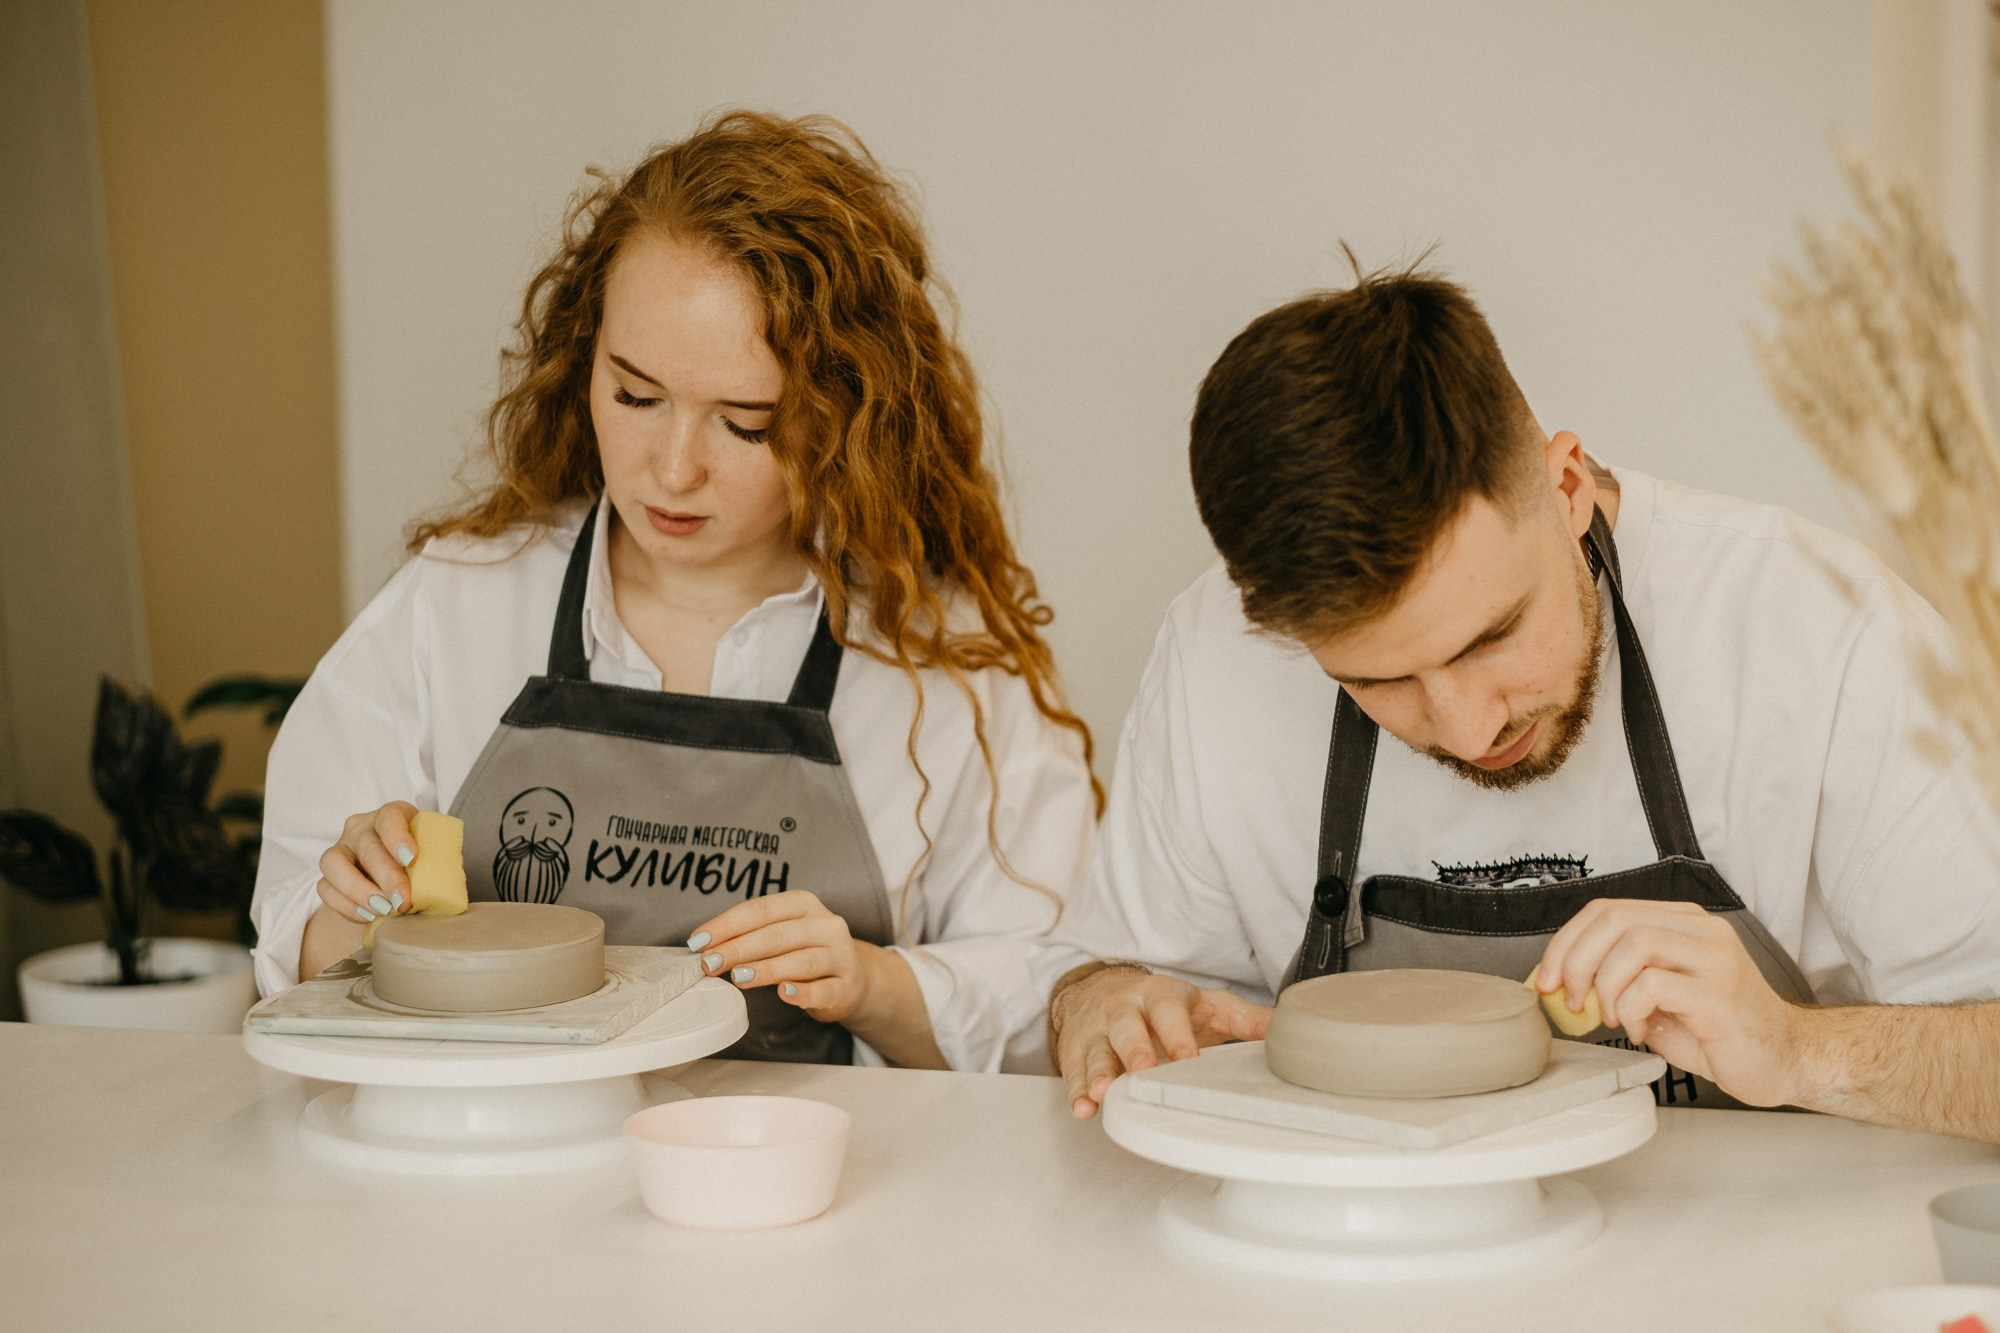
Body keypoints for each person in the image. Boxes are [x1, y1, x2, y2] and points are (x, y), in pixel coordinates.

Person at [1037, 263, 2000, 1140]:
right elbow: (1098, 975)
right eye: (1376, 680)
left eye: (1490, 637)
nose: (1468, 726)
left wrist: (1798, 1047)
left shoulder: (1816, 625)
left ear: (1568, 483)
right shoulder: (1215, 658)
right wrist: (1099, 1002)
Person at [250, 111, 1098, 1073]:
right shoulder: (457, 606)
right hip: (497, 1174)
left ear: (844, 415)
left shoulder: (944, 662)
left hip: (806, 1193)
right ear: (585, 362)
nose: (672, 469)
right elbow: (295, 961)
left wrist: (872, 983)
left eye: (744, 424)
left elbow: (1054, 991)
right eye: (635, 395)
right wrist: (351, 907)